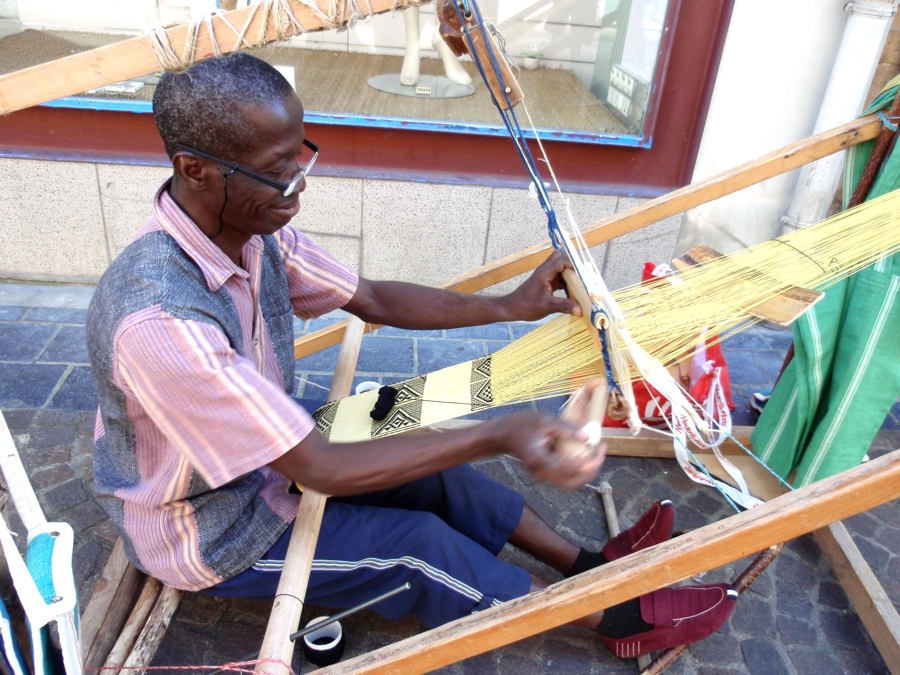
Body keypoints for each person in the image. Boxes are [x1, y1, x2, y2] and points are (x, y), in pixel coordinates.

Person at [85, 52, 736, 658]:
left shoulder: (251, 229)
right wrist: (499, 432)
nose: (298, 187)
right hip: (208, 525)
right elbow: (319, 465)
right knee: (418, 550)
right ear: (195, 166)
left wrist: (509, 306)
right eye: (277, 171)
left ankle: (586, 564)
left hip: (264, 449)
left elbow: (370, 298)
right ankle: (611, 619)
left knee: (423, 450)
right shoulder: (161, 322)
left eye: (300, 161)